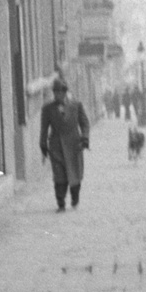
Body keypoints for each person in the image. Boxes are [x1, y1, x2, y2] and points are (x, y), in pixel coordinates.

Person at [39, 75, 90, 211]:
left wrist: (84, 138)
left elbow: (84, 123)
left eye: (60, 92)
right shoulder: (48, 109)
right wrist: (43, 144)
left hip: (74, 144)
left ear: (65, 92)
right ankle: (60, 203)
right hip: (56, 145)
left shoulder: (76, 105)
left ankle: (75, 197)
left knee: (75, 174)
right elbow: (44, 128)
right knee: (59, 176)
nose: (57, 95)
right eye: (55, 92)